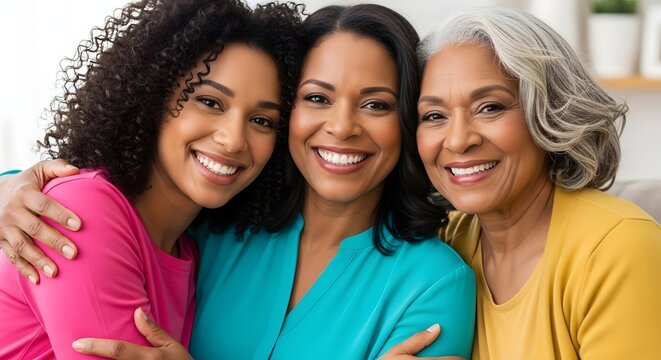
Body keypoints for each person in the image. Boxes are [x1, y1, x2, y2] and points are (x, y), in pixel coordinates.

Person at [0, 3, 476, 360]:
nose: (342, 126)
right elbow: (96, 202)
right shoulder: (217, 230)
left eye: (376, 104)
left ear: (409, 119)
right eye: (317, 98)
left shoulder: (433, 284)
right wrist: (13, 183)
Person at [0, 0, 303, 358]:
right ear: (153, 94)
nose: (234, 139)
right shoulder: (83, 209)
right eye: (210, 102)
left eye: (261, 121)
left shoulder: (189, 250)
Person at [411, 7, 661, 359]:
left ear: (548, 112)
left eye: (490, 107)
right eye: (434, 116)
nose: (457, 140)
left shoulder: (617, 246)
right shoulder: (444, 244)